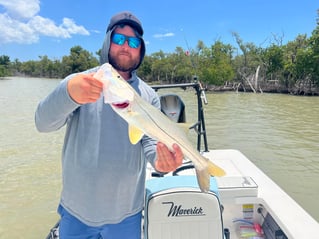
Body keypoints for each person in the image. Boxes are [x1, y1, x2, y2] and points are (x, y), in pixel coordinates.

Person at [35, 11, 183, 239]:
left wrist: (162, 163)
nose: (126, 46)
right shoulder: (80, 82)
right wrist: (69, 94)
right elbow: (42, 123)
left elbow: (150, 144)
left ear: (140, 49)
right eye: (119, 39)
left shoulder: (148, 95)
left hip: (127, 215)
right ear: (107, 42)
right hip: (76, 212)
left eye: (133, 42)